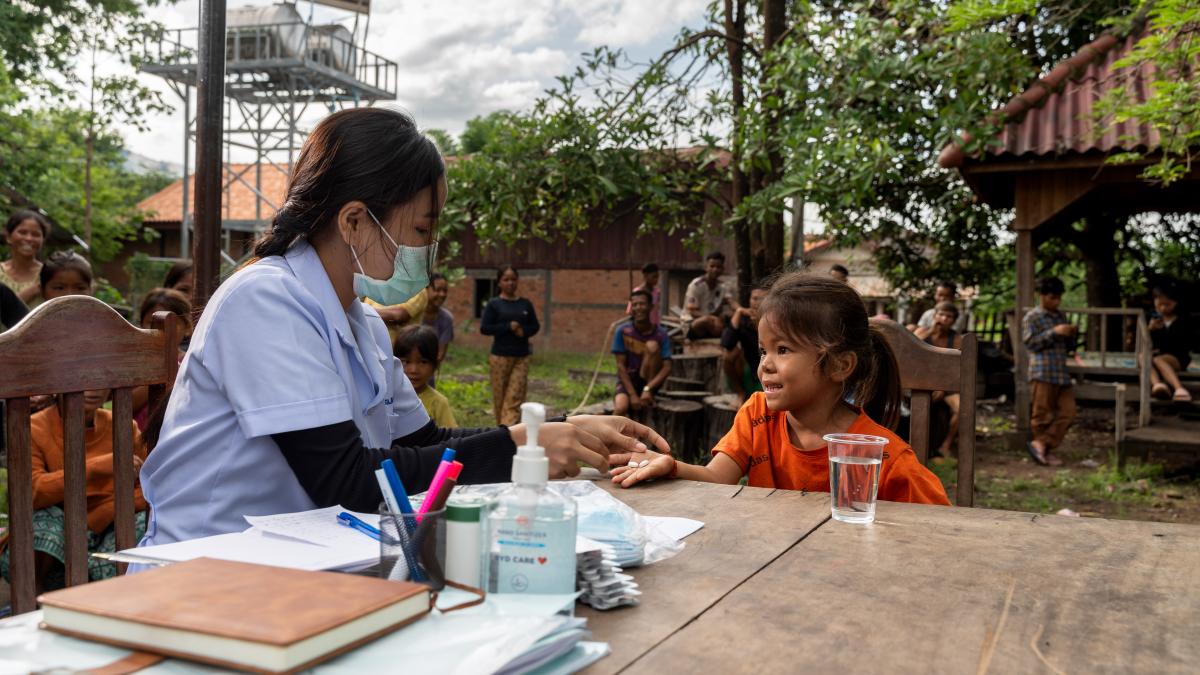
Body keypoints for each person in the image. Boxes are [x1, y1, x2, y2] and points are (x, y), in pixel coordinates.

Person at [138, 108, 664, 548]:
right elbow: (347, 482)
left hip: (299, 557)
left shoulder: (359, 320)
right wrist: (520, 445)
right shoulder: (265, 301)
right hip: (214, 560)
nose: (428, 249)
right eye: (421, 229)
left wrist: (566, 428)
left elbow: (426, 440)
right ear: (354, 222)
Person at [608, 273, 950, 506]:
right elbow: (717, 478)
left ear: (840, 365)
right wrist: (671, 466)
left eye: (783, 350)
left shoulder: (883, 457)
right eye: (763, 350)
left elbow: (947, 530)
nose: (765, 364)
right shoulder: (759, 414)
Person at [0, 389, 149, 592]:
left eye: (99, 381)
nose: (92, 390)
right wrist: (95, 468)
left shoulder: (124, 425)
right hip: (57, 548)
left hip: (108, 530)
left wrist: (103, 512)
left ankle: (107, 594)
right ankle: (36, 596)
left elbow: (150, 485)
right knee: (44, 521)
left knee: (146, 521)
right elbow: (32, 491)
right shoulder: (33, 427)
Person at [1023, 276, 1076, 466]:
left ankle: (1041, 444)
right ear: (1042, 296)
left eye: (1058, 298)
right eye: (1052, 297)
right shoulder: (1032, 317)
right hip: (1042, 372)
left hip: (1061, 372)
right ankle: (1043, 451)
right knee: (1042, 415)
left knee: (1069, 413)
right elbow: (1030, 344)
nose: (1056, 302)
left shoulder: (1060, 316)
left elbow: (1068, 346)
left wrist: (1070, 334)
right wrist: (1054, 332)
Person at [480, 265, 540, 425]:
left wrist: (524, 331)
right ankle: (501, 431)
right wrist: (507, 327)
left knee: (515, 397)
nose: (510, 283)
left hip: (521, 357)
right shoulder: (494, 304)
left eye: (513, 279)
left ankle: (509, 431)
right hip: (499, 357)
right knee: (499, 398)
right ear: (499, 282)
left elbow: (535, 326)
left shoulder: (525, 304)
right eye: (506, 279)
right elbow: (485, 328)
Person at [132, 288, 193, 431]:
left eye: (172, 324)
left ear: (187, 328)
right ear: (141, 325)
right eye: (151, 323)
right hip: (136, 440)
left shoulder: (190, 363)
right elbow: (124, 406)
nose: (162, 331)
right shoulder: (133, 363)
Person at [613, 289, 672, 416]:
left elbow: (667, 367)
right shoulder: (622, 331)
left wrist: (648, 388)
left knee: (652, 345)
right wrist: (633, 395)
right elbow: (620, 366)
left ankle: (648, 395)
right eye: (635, 304)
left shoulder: (661, 334)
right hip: (628, 382)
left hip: (649, 383)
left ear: (651, 307)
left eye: (642, 304)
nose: (638, 308)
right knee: (621, 407)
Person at [919, 301, 964, 461]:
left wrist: (943, 387)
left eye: (949, 316)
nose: (944, 318)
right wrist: (932, 330)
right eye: (941, 314)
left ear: (953, 320)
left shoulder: (956, 339)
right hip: (923, 382)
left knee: (962, 409)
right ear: (934, 316)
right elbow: (912, 351)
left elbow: (955, 367)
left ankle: (945, 445)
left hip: (947, 385)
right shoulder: (923, 332)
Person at [394, 325, 456, 428]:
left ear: (435, 365)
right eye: (406, 362)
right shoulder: (389, 399)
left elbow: (451, 438)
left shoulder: (438, 403)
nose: (413, 370)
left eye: (423, 362)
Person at [1148, 284, 1193, 402]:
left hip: (1177, 357)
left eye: (1167, 304)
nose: (1163, 308)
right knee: (1143, 357)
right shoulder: (1153, 320)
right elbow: (1145, 344)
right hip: (1156, 357)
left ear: (1175, 303)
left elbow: (1183, 344)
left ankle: (1179, 388)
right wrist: (1150, 330)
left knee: (1158, 359)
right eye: (1160, 305)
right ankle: (1157, 385)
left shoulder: (1183, 320)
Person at [721, 286, 766, 404]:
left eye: (762, 299)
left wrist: (758, 324)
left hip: (768, 369)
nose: (757, 302)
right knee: (730, 354)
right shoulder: (744, 320)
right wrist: (739, 312)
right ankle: (740, 392)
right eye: (754, 298)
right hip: (750, 370)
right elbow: (727, 343)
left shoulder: (773, 319)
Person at [681, 252, 735, 340]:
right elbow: (692, 311)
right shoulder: (696, 285)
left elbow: (732, 302)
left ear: (722, 269)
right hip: (692, 323)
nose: (715, 269)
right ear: (706, 267)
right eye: (712, 266)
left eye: (718, 267)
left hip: (712, 324)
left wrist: (742, 310)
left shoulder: (723, 287)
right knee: (705, 320)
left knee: (730, 316)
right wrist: (712, 318)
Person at [1, 210, 50, 305]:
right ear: (8, 237)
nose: (29, 238)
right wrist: (34, 290)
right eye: (22, 232)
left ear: (43, 240)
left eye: (36, 234)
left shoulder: (50, 275)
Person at [422, 272, 454, 363]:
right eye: (438, 290)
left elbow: (440, 353)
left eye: (445, 291)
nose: (442, 294)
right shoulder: (412, 313)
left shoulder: (446, 319)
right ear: (425, 289)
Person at [624, 263, 662, 327]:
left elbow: (656, 311)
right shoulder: (637, 292)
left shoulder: (657, 292)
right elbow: (630, 312)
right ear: (646, 276)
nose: (656, 280)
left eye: (657, 277)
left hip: (654, 327)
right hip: (641, 328)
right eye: (654, 277)